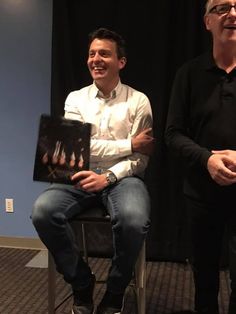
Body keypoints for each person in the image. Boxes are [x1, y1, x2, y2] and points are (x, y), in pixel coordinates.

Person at [32, 27, 154, 314]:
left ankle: (115, 289)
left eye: (104, 54)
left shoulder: (139, 101)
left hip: (124, 178)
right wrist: (129, 143)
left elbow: (141, 158)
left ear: (120, 62)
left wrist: (109, 176)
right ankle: (81, 280)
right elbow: (80, 150)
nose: (96, 59)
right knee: (43, 212)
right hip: (77, 176)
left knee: (134, 220)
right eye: (92, 53)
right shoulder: (75, 99)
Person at [165, 1, 236, 313]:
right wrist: (207, 158)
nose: (232, 13)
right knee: (204, 278)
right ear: (207, 22)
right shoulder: (189, 74)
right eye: (222, 8)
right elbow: (172, 133)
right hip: (200, 193)